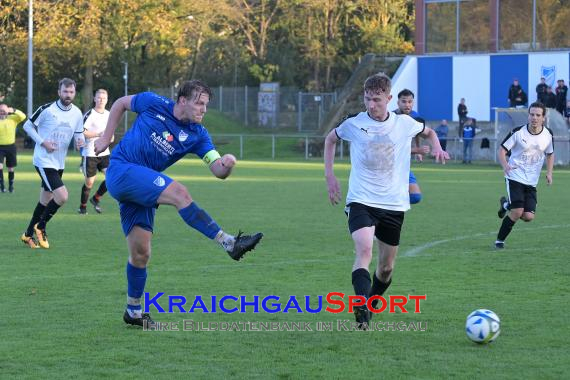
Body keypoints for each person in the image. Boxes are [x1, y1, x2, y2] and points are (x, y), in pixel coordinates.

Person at [93, 80, 263, 327]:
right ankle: (229, 243)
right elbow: (120, 103)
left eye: (206, 105)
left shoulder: (198, 135)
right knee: (180, 193)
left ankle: (133, 311)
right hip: (122, 169)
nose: (203, 109)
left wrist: (226, 165)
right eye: (199, 103)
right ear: (182, 100)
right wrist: (107, 137)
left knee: (141, 253)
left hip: (142, 186)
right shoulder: (154, 102)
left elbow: (217, 170)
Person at [323, 73, 449, 329]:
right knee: (365, 250)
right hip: (361, 199)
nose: (371, 105)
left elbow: (430, 132)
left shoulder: (404, 123)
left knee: (386, 269)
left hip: (393, 204)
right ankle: (360, 304)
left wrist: (436, 146)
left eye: (377, 100)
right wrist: (330, 176)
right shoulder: (354, 123)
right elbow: (330, 139)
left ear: (389, 99)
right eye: (368, 99)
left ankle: (370, 304)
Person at [21, 78, 85, 249]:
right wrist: (43, 142)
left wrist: (80, 142)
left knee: (45, 200)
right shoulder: (47, 109)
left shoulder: (77, 113)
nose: (68, 95)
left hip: (59, 163)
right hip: (43, 160)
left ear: (74, 93)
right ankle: (40, 227)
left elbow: (79, 135)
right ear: (59, 92)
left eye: (71, 92)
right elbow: (27, 126)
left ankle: (27, 235)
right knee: (62, 196)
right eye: (65, 91)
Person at [495, 102, 553, 249]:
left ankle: (506, 204)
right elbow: (501, 151)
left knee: (528, 217)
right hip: (515, 175)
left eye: (538, 115)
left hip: (532, 181)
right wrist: (505, 165)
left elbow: (550, 154)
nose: (534, 118)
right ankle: (499, 241)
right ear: (528, 115)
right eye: (532, 114)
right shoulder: (518, 132)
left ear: (543, 118)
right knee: (517, 211)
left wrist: (549, 173)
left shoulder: (548, 134)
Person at [393, 89, 430, 205]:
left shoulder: (415, 116)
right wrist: (416, 150)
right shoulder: (391, 118)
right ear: (398, 103)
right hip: (390, 165)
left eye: (410, 102)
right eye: (404, 101)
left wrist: (418, 150)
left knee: (415, 197)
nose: (407, 105)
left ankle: (390, 203)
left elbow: (417, 133)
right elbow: (393, 148)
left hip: (403, 164)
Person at [78, 89, 111, 215]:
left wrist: (110, 137)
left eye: (104, 98)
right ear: (94, 99)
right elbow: (82, 131)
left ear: (107, 100)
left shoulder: (109, 114)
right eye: (99, 97)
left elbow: (110, 132)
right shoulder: (89, 114)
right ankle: (82, 207)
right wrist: (98, 134)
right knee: (89, 183)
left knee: (112, 177)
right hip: (90, 153)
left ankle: (96, 198)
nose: (101, 100)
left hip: (104, 153)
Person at [0, 103, 27, 193]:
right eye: (1, 111)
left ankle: (11, 186)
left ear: (7, 111)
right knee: (0, 166)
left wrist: (14, 110)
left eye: (4, 111)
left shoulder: (13, 119)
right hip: (0, 147)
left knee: (11, 168)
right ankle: (2, 186)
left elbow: (23, 116)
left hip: (10, 146)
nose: (2, 112)